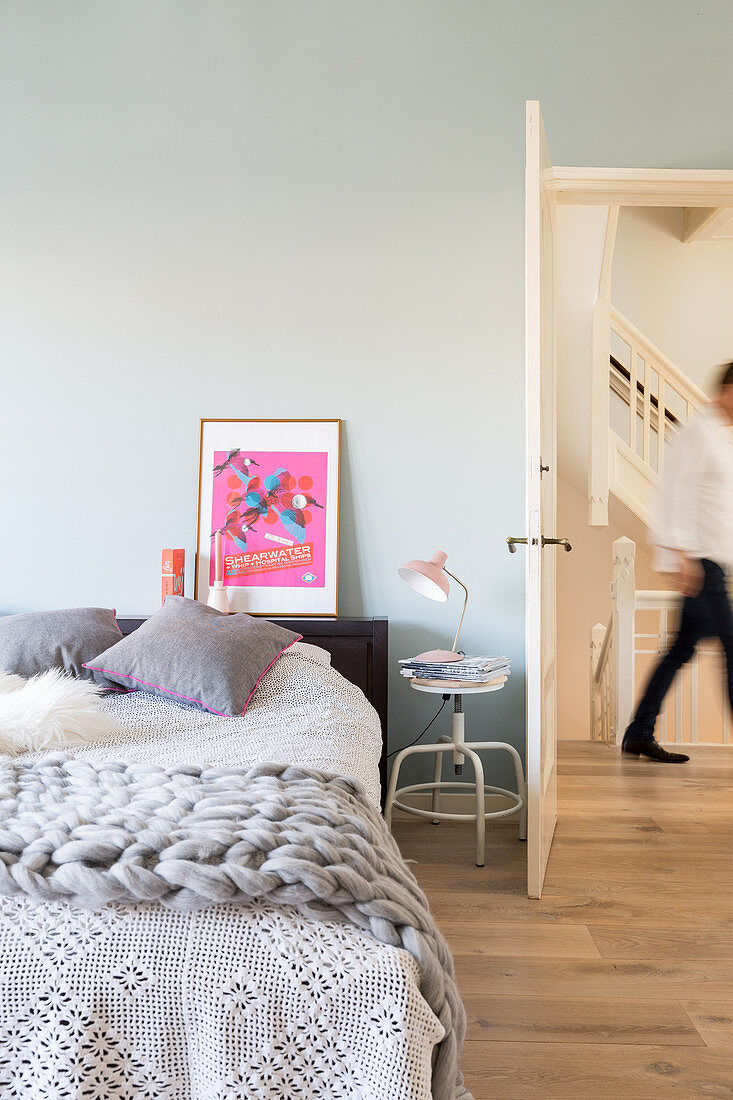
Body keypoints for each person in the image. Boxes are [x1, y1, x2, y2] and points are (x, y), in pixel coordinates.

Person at [622, 362, 733, 763]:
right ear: (727, 390)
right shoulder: (699, 432)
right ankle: (639, 731)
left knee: (680, 649)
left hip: (713, 561)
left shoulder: (723, 437)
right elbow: (677, 492)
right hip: (701, 563)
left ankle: (639, 732)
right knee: (732, 647)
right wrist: (682, 556)